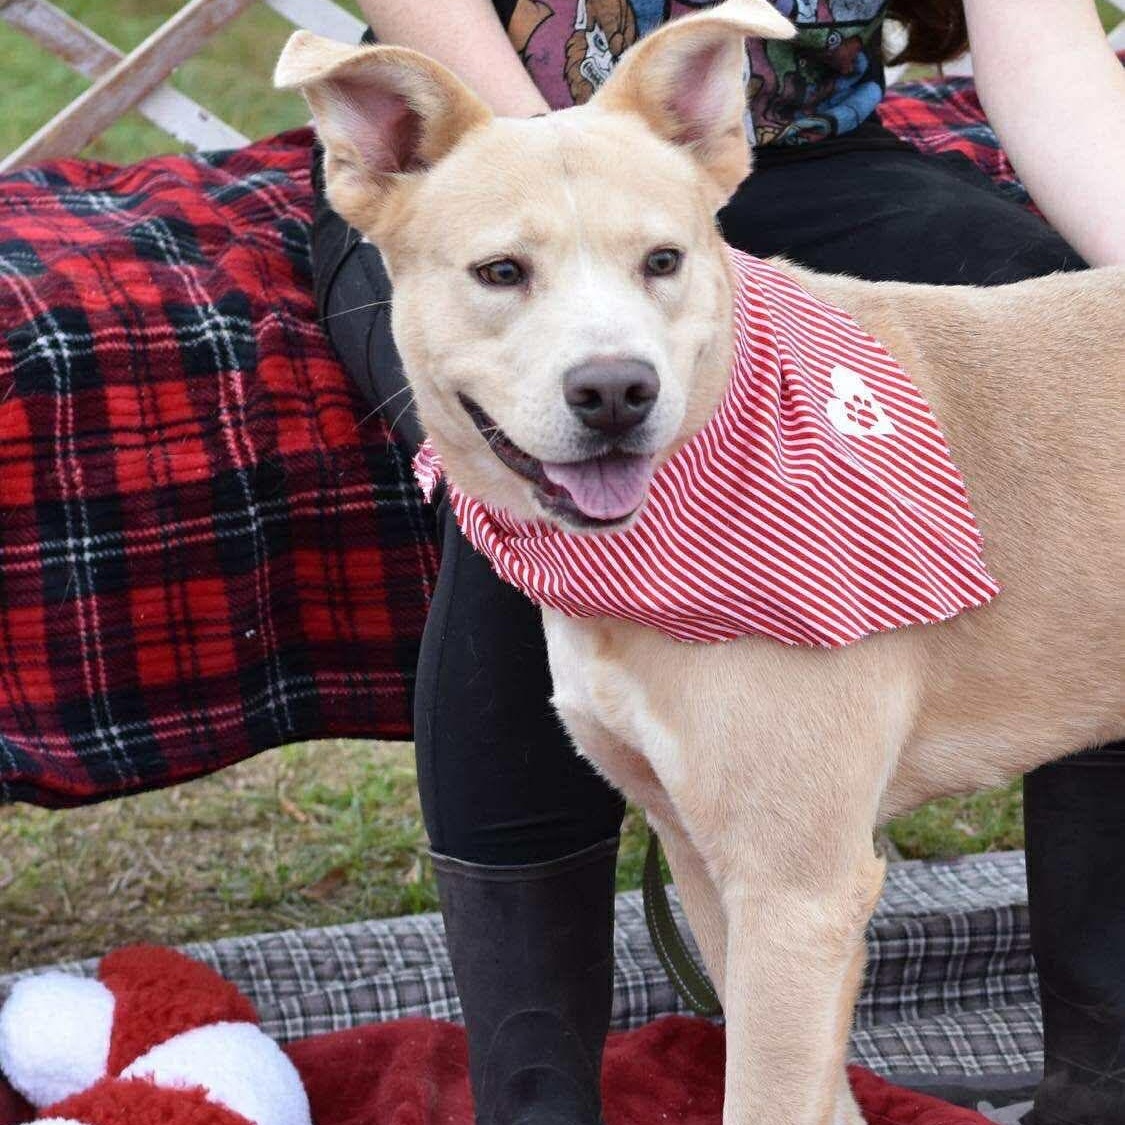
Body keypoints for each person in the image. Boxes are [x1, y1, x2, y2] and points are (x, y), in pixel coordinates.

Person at [308, 3, 1125, 1123]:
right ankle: (538, 1098)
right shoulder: (457, 210)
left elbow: (1048, 60)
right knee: (710, 811)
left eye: (654, 272)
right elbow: (533, 192)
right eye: (504, 273)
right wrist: (543, 208)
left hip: (767, 172)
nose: (613, 367)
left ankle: (1105, 1077)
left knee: (778, 867)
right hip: (511, 144)